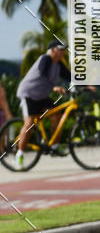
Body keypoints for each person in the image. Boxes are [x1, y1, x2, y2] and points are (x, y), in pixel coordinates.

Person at [15, 40, 71, 168]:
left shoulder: (59, 65)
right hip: (28, 94)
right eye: (60, 49)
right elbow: (43, 73)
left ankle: (55, 146)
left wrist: (88, 84)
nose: (63, 52)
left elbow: (70, 76)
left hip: (42, 96)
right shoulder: (45, 59)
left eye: (64, 50)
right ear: (52, 50)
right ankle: (19, 155)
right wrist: (55, 88)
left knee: (57, 116)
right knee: (29, 123)